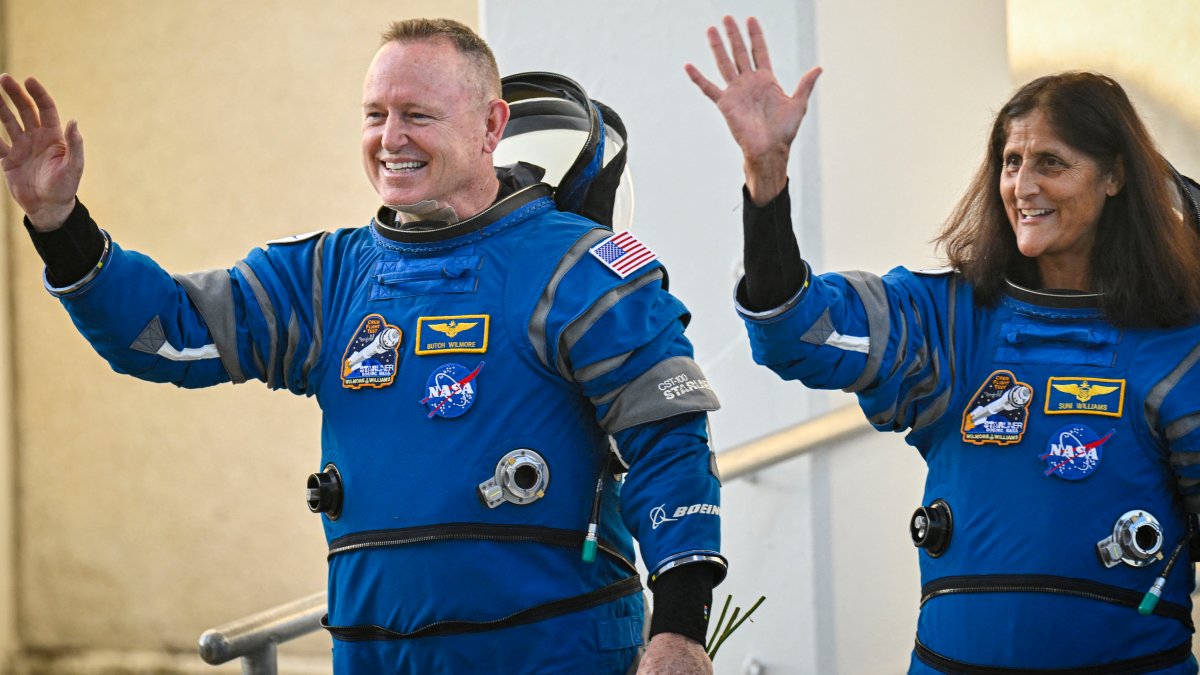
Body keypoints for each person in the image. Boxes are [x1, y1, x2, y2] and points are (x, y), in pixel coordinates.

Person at [0, 18, 726, 674]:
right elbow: (168, 334)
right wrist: (63, 226)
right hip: (375, 653)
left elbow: (668, 438)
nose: (391, 137)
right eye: (375, 115)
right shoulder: (326, 278)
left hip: (553, 652)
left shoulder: (580, 269)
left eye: (418, 114)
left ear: (490, 125)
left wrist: (680, 630)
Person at [688, 15, 1200, 674]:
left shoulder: (1175, 342)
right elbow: (800, 332)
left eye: (1051, 162)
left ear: (1114, 177)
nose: (1023, 186)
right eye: (1011, 162)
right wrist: (767, 183)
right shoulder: (952, 321)